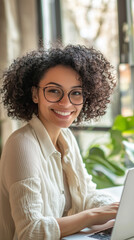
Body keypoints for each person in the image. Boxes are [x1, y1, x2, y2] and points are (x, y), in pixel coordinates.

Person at [0, 44, 118, 240]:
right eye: (54, 91)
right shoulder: (21, 145)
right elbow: (30, 231)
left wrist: (118, 208)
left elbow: (87, 194)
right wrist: (94, 215)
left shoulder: (66, 137)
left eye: (76, 93)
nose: (66, 103)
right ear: (35, 94)